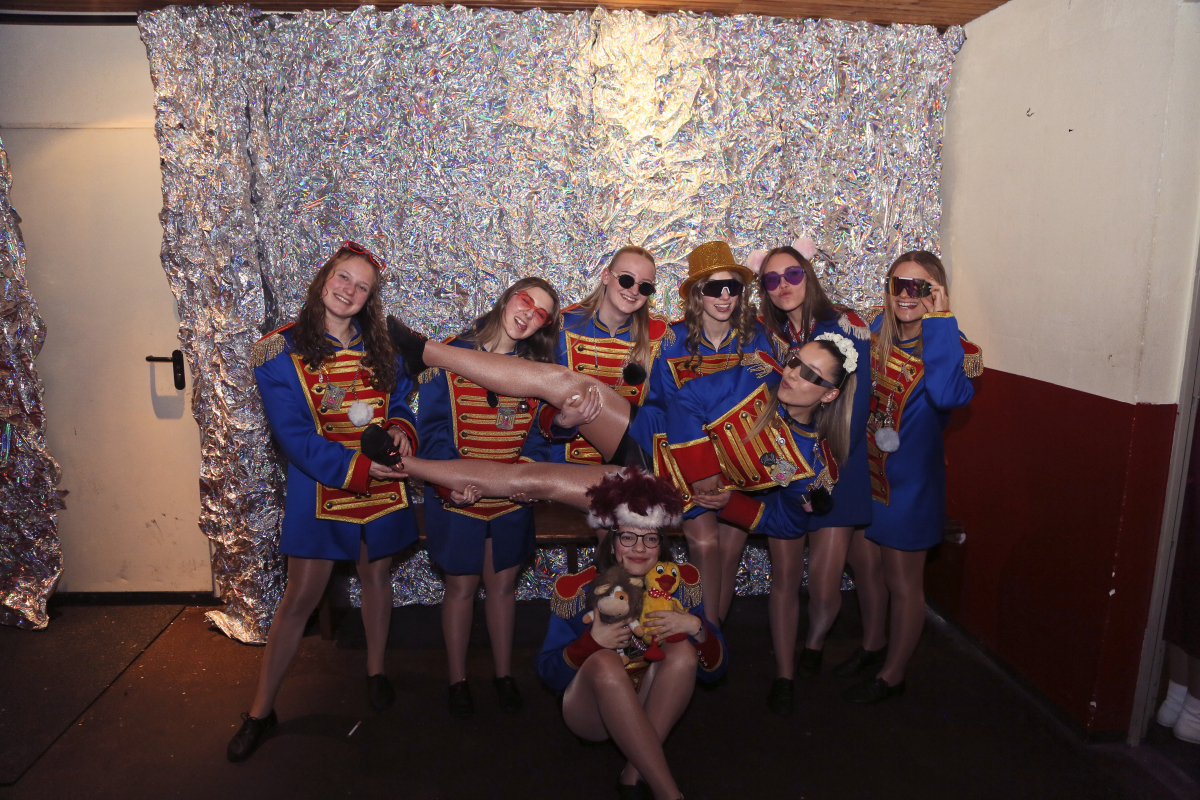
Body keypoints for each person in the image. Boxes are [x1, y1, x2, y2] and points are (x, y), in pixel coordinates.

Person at [227, 241, 416, 761]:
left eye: (362, 287)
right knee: (298, 600)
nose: (349, 291)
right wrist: (359, 468)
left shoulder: (384, 346)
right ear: (324, 277)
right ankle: (261, 711)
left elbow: (400, 403)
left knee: (377, 578)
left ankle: (375, 670)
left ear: (370, 298)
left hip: (382, 488)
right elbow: (293, 437)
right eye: (343, 277)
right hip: (321, 489)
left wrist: (401, 431)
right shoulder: (276, 352)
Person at [666, 336, 858, 715]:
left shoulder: (810, 462)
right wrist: (705, 473)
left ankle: (751, 658)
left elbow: (787, 518)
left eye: (810, 374)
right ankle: (709, 647)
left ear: (829, 394)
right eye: (794, 361)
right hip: (670, 454)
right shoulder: (755, 377)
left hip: (707, 500)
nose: (793, 373)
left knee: (786, 577)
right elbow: (685, 400)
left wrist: (731, 502)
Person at [417, 277, 563, 717]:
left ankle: (503, 675)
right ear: (507, 298)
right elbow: (433, 433)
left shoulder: (537, 370)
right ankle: (457, 680)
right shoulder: (448, 355)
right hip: (458, 495)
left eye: (541, 314)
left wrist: (528, 477)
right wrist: (449, 485)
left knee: (502, 587)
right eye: (526, 301)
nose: (529, 314)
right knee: (460, 587)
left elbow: (539, 437)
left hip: (510, 499)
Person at [841, 250, 982, 704]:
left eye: (919, 287)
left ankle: (894, 673)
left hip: (911, 487)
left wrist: (940, 321)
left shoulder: (953, 343)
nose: (906, 295)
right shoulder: (876, 330)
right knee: (865, 567)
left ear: (937, 293)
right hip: (867, 476)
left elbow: (946, 394)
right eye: (898, 284)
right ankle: (872, 645)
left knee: (903, 583)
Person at [537, 468, 726, 800]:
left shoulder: (679, 586)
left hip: (652, 701)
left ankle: (632, 775)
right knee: (605, 662)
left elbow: (716, 673)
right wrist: (591, 643)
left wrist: (696, 629)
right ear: (612, 543)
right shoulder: (578, 591)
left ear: (660, 544)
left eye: (650, 538)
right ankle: (670, 794)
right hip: (592, 712)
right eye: (628, 537)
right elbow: (549, 675)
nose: (639, 548)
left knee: (683, 651)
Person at [629, 241, 770, 628]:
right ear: (696, 294)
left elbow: (772, 406)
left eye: (732, 287)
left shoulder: (759, 339)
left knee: (729, 553)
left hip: (743, 466)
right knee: (706, 544)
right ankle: (703, 635)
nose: (724, 297)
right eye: (713, 288)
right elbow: (657, 409)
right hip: (688, 466)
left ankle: (712, 637)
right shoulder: (671, 341)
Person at [754, 242, 874, 697]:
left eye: (792, 274)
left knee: (824, 586)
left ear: (808, 274)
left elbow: (856, 408)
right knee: (784, 577)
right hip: (783, 466)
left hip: (835, 467)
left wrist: (826, 468)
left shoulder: (845, 325)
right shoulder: (766, 334)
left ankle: (816, 642)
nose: (782, 285)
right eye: (771, 279)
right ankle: (784, 672)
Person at [551, 245, 670, 466]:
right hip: (565, 464)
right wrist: (561, 420)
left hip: (628, 466)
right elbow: (537, 401)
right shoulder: (564, 326)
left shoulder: (658, 336)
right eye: (626, 280)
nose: (634, 291)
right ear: (606, 276)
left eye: (645, 286)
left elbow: (659, 409)